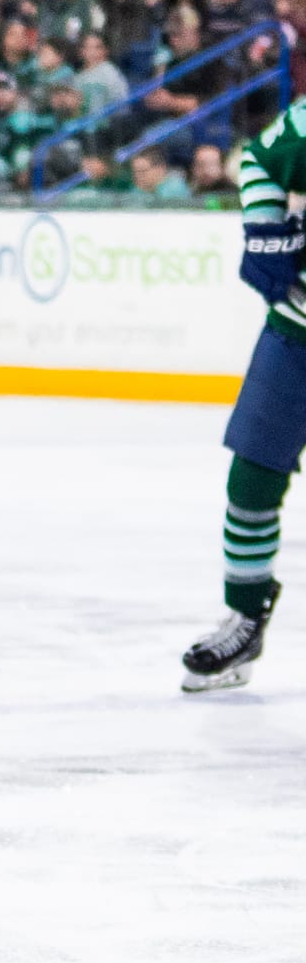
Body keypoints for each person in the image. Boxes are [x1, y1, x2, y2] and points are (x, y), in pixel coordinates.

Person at [181, 95, 306, 690]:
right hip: (297, 333)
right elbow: (257, 159)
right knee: (251, 479)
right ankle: (244, 617)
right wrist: (264, 226)